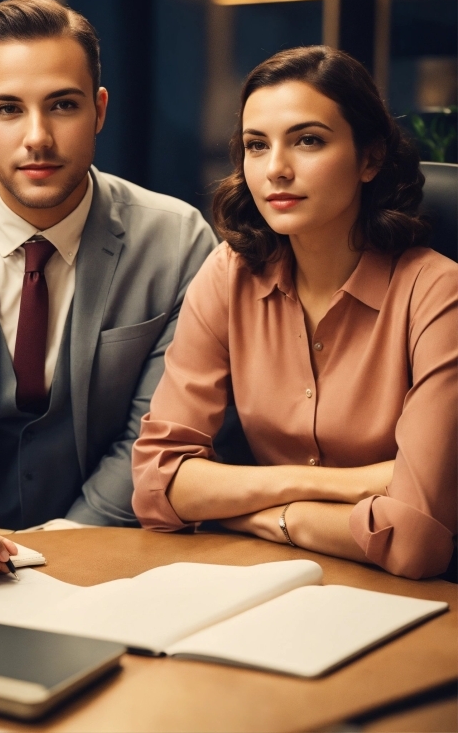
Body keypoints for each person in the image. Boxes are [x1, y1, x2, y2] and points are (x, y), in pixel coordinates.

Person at [0, 0, 215, 581]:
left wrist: (67, 553)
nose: (38, 138)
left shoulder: (178, 244)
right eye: (7, 109)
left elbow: (154, 440)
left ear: (99, 109)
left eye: (63, 105)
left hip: (109, 556)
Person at [132, 45, 457, 580]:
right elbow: (155, 484)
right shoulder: (229, 273)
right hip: (265, 582)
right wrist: (344, 485)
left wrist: (263, 516)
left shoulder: (438, 294)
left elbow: (417, 541)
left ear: (370, 158)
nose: (276, 169)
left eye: (308, 140)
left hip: (409, 600)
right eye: (256, 145)